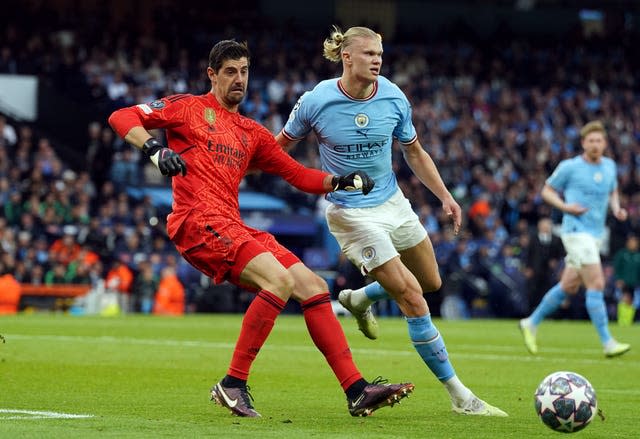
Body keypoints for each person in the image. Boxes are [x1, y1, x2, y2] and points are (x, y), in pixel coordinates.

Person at [108, 39, 413, 418]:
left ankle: (356, 389)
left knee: (313, 287)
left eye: (245, 71)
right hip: (198, 222)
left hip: (232, 224)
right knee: (279, 282)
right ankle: (233, 383)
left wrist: (338, 181)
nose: (239, 79)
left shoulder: (251, 132)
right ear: (212, 75)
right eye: (231, 71)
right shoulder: (187, 108)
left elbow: (297, 175)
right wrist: (156, 150)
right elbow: (122, 116)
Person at [276, 26, 507, 417]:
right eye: (368, 53)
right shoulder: (317, 100)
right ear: (346, 57)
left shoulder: (395, 97)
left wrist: (446, 197)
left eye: (379, 53)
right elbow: (278, 149)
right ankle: (460, 396)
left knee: (430, 282)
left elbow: (414, 152)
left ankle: (358, 298)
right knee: (412, 297)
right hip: (351, 213)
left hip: (394, 204)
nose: (377, 59)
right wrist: (308, 181)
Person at [519, 120, 631, 357]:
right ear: (583, 143)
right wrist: (566, 207)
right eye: (591, 140)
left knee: (569, 285)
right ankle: (608, 342)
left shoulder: (610, 167)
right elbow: (546, 190)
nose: (595, 144)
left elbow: (612, 190)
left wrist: (617, 208)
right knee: (597, 283)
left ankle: (531, 322)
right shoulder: (570, 167)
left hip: (595, 234)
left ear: (605, 143)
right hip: (575, 232)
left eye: (599, 140)